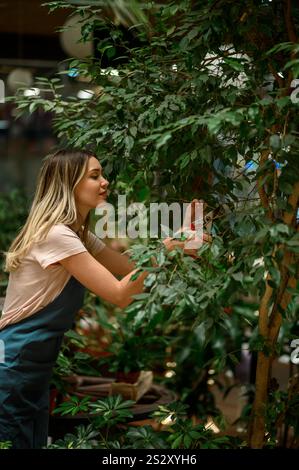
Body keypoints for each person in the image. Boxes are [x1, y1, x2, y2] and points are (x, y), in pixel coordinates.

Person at [0, 149, 210, 449]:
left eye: (103, 175)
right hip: (15, 364)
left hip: (32, 367)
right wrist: (168, 248)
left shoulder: (78, 235)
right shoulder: (57, 235)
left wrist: (182, 242)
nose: (105, 182)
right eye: (94, 176)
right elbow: (120, 294)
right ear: (68, 184)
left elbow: (128, 269)